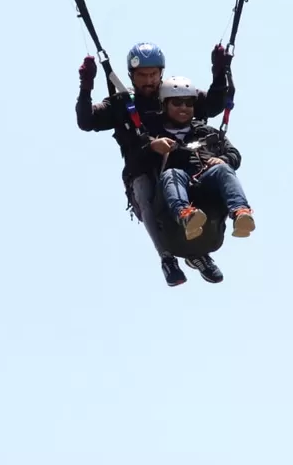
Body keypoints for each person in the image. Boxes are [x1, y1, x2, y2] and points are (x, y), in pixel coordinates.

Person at [75, 42, 231, 286]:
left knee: (208, 177)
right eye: (142, 76)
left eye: (153, 75)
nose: (148, 81)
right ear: (131, 76)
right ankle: (167, 257)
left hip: (183, 168)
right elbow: (86, 121)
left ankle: (198, 252)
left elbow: (212, 105)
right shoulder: (121, 104)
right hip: (143, 171)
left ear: (161, 73)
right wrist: (86, 87)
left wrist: (219, 72)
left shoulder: (173, 94)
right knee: (143, 185)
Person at [143, 75, 256, 259]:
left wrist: (223, 159)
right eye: (177, 103)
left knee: (223, 169)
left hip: (205, 187)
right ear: (165, 105)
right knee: (173, 173)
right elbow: (138, 157)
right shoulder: (154, 134)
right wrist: (153, 147)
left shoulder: (207, 133)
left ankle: (241, 212)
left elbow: (234, 155)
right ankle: (186, 216)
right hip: (173, 193)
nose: (184, 108)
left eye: (188, 103)